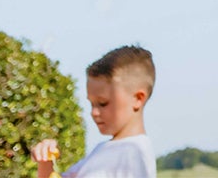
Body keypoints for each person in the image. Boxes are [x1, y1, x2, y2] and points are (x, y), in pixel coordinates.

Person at [30, 46, 157, 178]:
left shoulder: (132, 153)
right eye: (92, 104)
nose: (94, 112)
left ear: (137, 99)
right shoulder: (103, 150)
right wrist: (46, 161)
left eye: (103, 103)